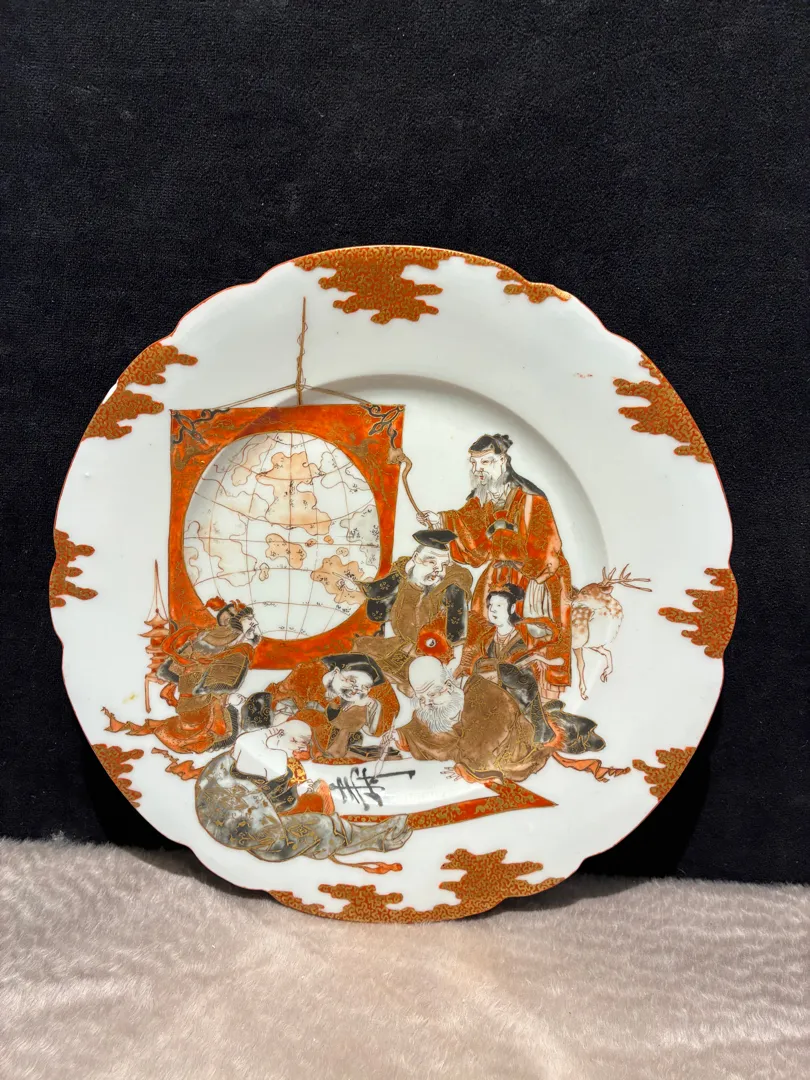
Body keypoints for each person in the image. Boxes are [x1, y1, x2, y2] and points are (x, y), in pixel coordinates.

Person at [423, 434, 572, 699]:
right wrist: (440, 520)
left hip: (535, 576)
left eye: (485, 462)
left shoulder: (531, 500)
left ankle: (535, 697)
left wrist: (512, 549)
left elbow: (546, 548)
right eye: (474, 463)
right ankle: (484, 688)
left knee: (531, 633)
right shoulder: (482, 499)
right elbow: (470, 535)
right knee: (482, 623)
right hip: (499, 573)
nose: (477, 469)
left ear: (502, 460)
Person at [460, 584, 607, 753]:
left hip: (518, 692)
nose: (493, 610)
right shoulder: (487, 638)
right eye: (490, 605)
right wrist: (487, 669)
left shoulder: (521, 636)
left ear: (512, 608)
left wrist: (498, 670)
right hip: (490, 692)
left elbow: (525, 673)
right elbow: (479, 664)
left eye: (499, 605)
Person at [109, 597, 260, 754]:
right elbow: (180, 671)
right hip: (198, 702)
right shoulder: (213, 641)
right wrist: (224, 696)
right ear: (233, 622)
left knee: (228, 723)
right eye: (249, 619)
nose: (255, 623)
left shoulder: (234, 644)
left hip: (201, 698)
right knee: (222, 729)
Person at [395, 655, 551, 783]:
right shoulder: (434, 706)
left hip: (513, 755)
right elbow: (419, 727)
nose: (428, 703)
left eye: (432, 694)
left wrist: (466, 769)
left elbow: (484, 747)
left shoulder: (486, 696)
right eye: (421, 699)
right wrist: (402, 736)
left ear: (449, 685)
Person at [354, 529, 473, 691]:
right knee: (363, 659)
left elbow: (457, 633)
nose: (438, 570)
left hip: (437, 654)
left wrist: (453, 664)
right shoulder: (406, 575)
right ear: (416, 558)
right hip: (404, 646)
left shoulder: (453, 587)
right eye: (431, 562)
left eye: (443, 565)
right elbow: (377, 604)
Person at [265, 654, 401, 762]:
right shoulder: (308, 673)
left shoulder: (357, 701)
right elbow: (280, 705)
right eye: (352, 681)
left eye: (364, 687)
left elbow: (376, 728)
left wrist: (372, 704)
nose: (355, 690)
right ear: (336, 671)